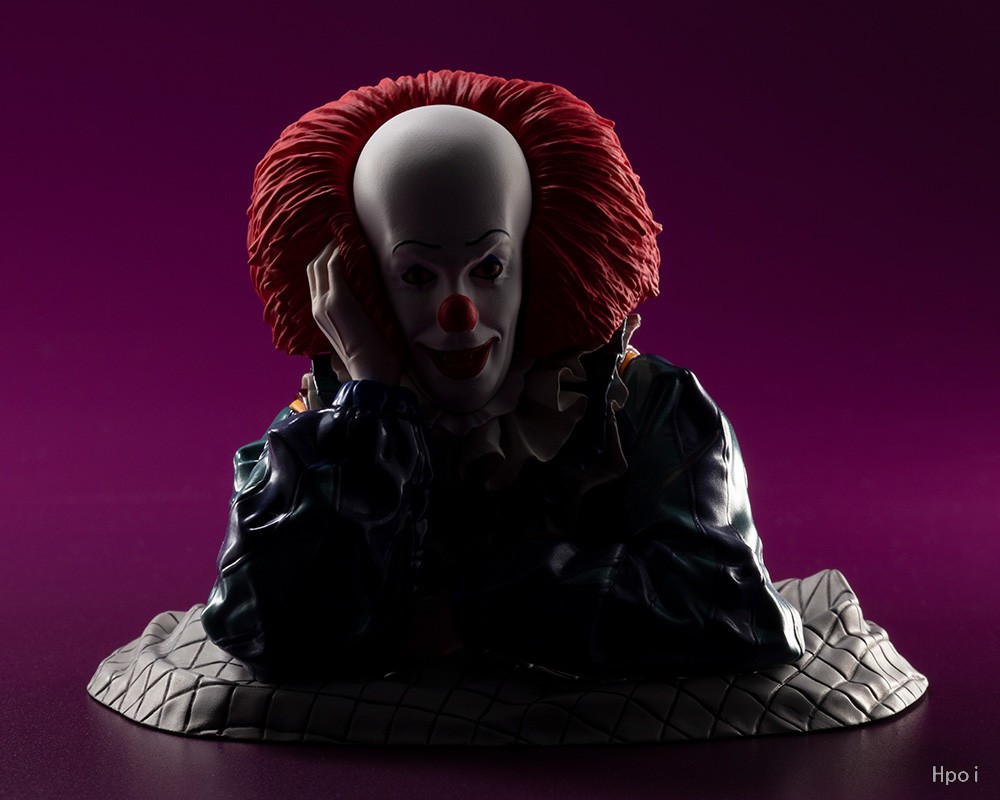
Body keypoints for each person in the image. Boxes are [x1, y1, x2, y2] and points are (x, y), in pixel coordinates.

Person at [201, 70, 804, 682]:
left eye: (488, 267)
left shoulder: (651, 408)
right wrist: (373, 405)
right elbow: (267, 630)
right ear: (362, 283)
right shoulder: (325, 432)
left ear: (534, 259)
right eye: (417, 275)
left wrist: (472, 610)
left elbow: (734, 609)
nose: (458, 312)